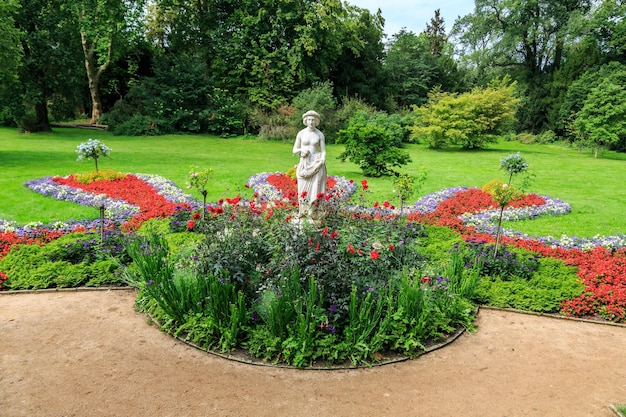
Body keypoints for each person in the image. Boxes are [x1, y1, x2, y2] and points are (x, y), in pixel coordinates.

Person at [292, 110, 327, 220]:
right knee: (302, 189)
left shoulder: (319, 134)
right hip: (304, 164)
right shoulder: (301, 133)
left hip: (316, 164)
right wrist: (302, 150)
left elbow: (323, 150)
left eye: (313, 120)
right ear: (305, 121)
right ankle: (302, 210)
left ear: (316, 121)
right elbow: (294, 150)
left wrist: (322, 159)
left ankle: (313, 212)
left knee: (315, 189)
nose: (311, 122)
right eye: (309, 120)